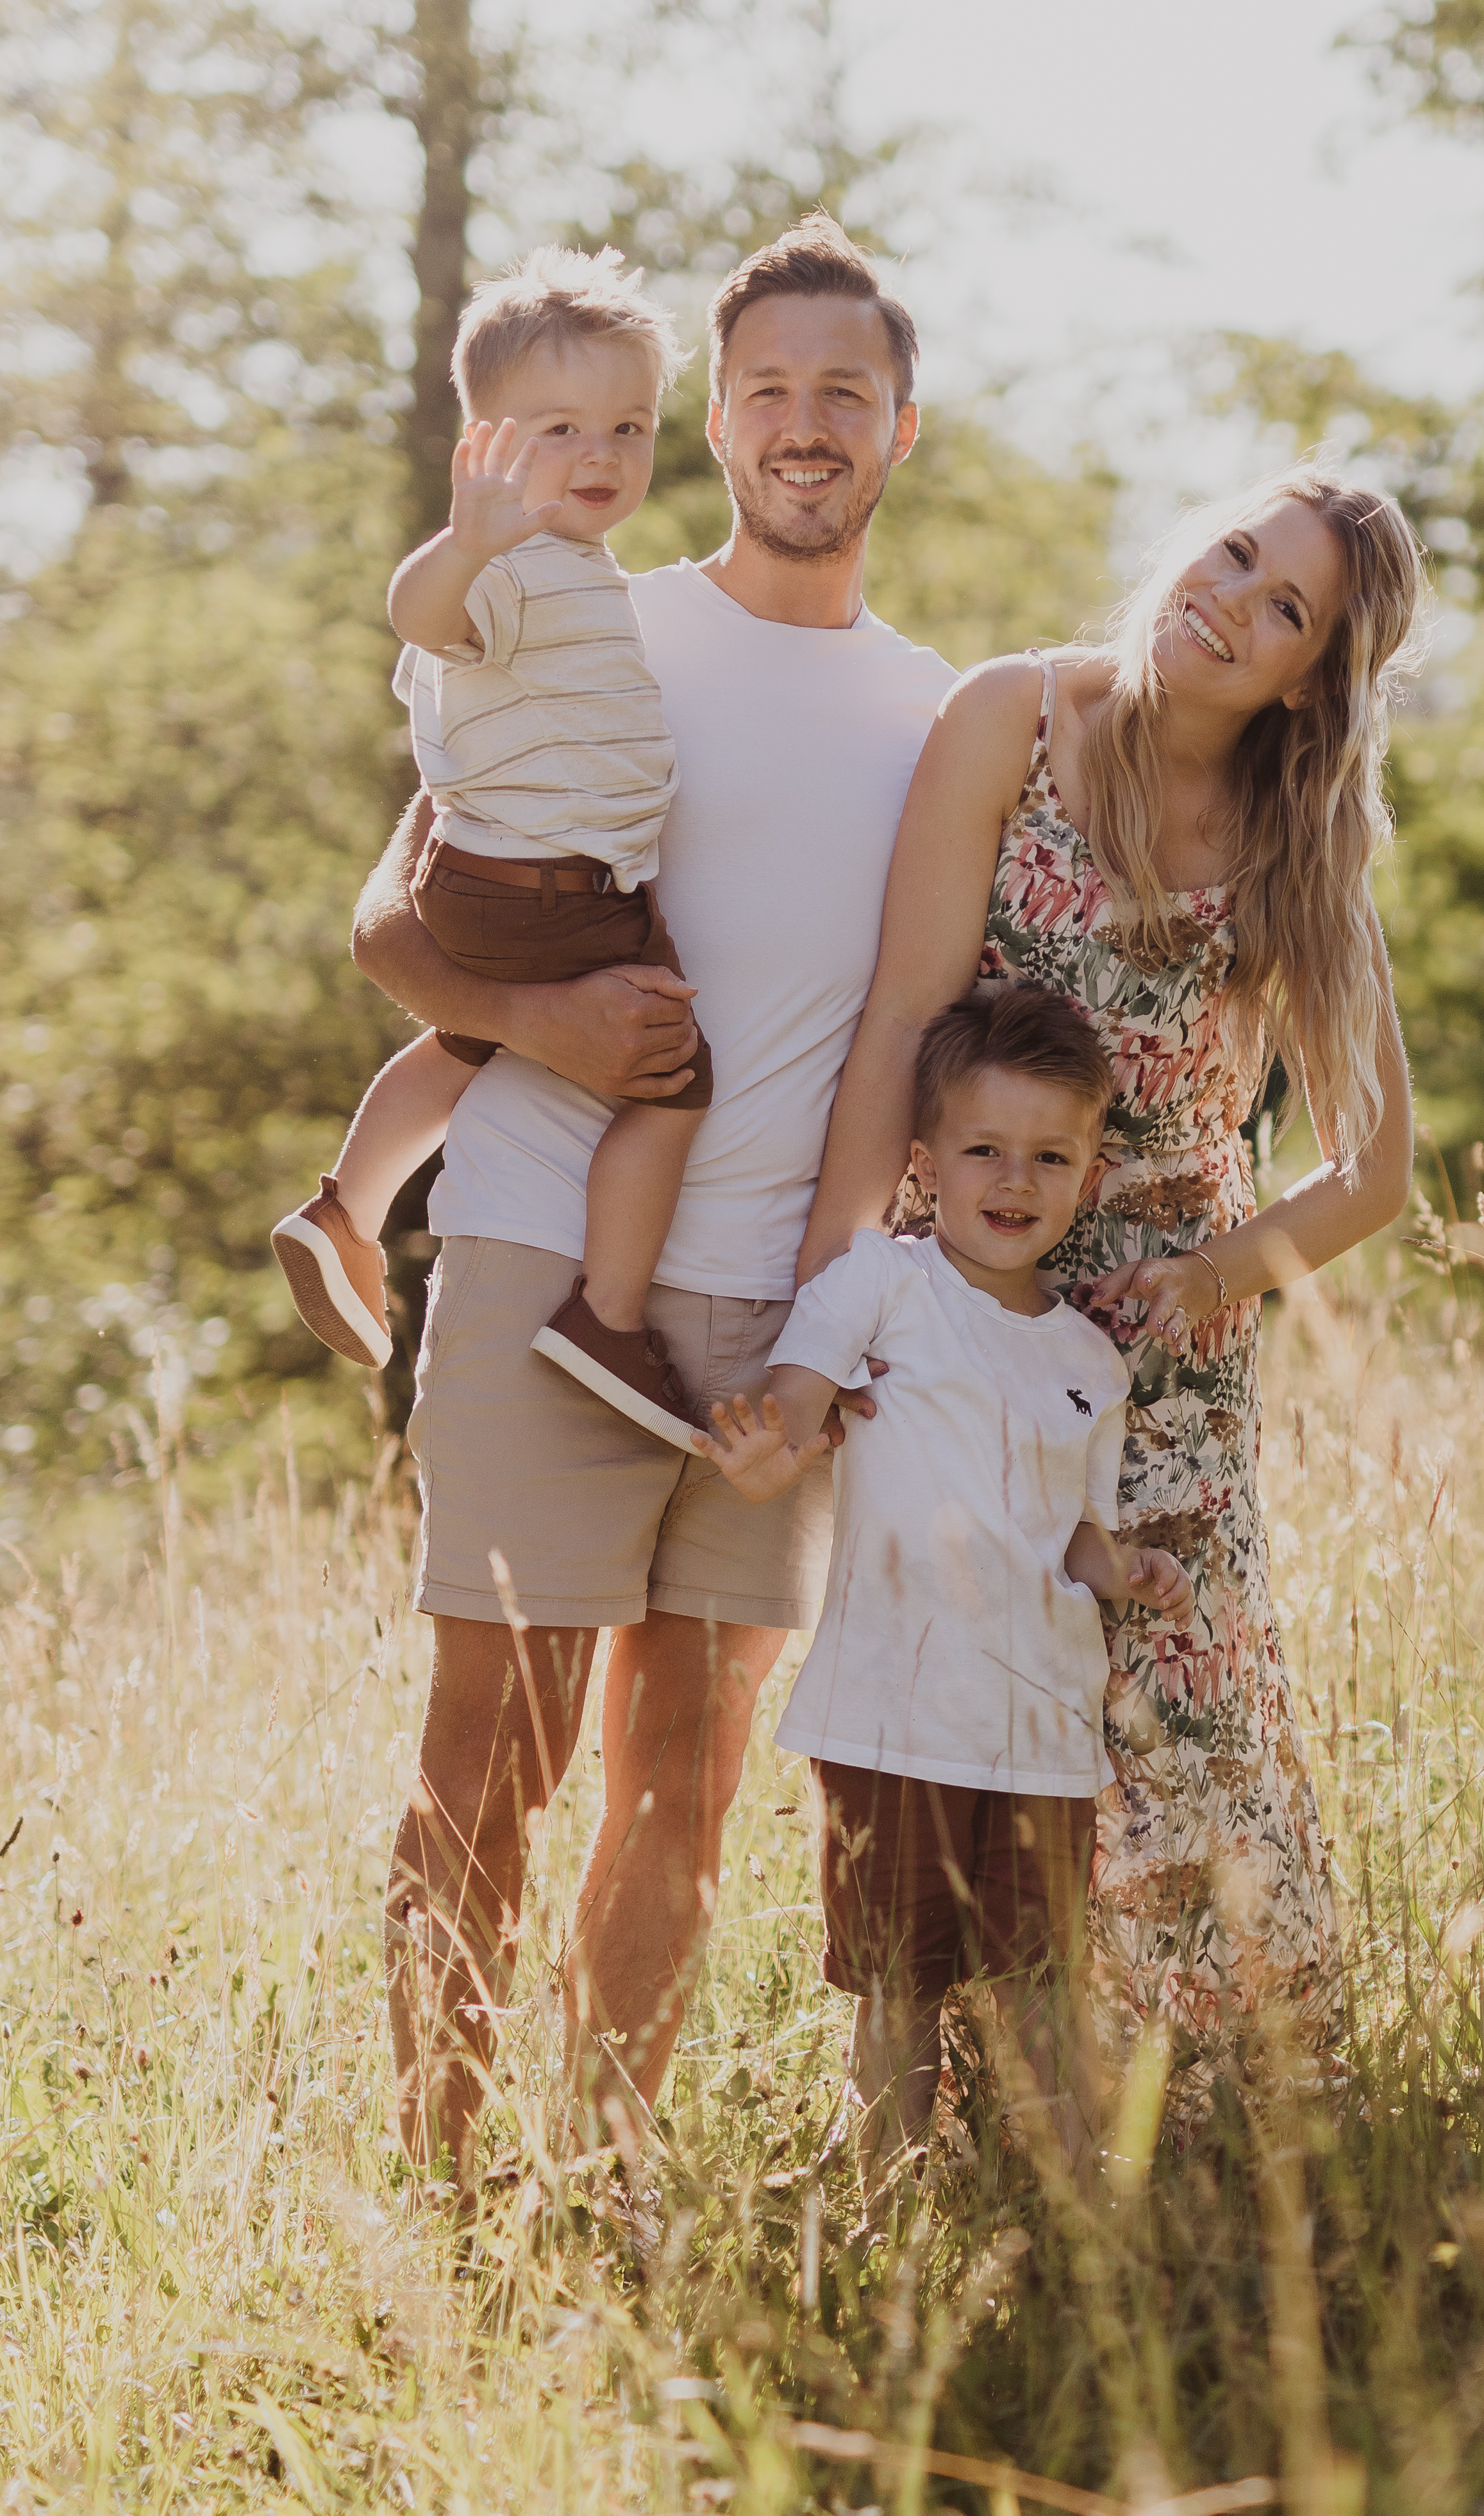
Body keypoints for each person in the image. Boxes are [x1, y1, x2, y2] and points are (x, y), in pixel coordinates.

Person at [346, 217, 951, 2190]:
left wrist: (839, 1329)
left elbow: (924, 1044)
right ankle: (446, 2199)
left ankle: (600, 2182)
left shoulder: (946, 718)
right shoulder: (585, 612)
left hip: (777, 1313)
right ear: (717, 418)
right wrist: (542, 1021)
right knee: (488, 1763)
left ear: (901, 428)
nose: (805, 423)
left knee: (684, 1778)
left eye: (845, 391)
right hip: (546, 1258)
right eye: (768, 387)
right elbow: (392, 923)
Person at [796, 465, 1426, 2099]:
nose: (1227, 600)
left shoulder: (1294, 842)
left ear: (1312, 682)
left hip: (1163, 1353)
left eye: (1284, 608)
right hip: (964, 1308)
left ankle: (1209, 2109)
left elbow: (1376, 1171)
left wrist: (1210, 1276)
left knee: (1170, 1726)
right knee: (960, 1704)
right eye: (1235, 551)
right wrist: (827, 1311)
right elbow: (901, 1021)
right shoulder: (1012, 719)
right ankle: (975, 2111)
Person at [703, 985, 1190, 2180]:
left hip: (1042, 1727)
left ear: (1089, 1176)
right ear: (926, 1163)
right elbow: (797, 1408)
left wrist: (1127, 1570)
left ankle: (1083, 2216)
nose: (1015, 1181)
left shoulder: (1089, 1360)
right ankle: (887, 2206)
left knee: (1041, 1986)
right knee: (898, 1985)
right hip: (895, 1714)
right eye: (984, 1151)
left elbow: (1074, 1537)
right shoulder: (880, 1285)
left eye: (1049, 1157)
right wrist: (768, 1452)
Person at [268, 247, 712, 1448]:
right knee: (676, 1078)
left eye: (628, 427)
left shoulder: (572, 566)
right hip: (545, 889)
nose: (601, 454)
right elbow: (421, 616)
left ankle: (347, 1210)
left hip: (507, 887)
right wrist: (464, 545)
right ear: (487, 446)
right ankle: (608, 1315)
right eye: (561, 428)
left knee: (464, 1046)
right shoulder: (512, 565)